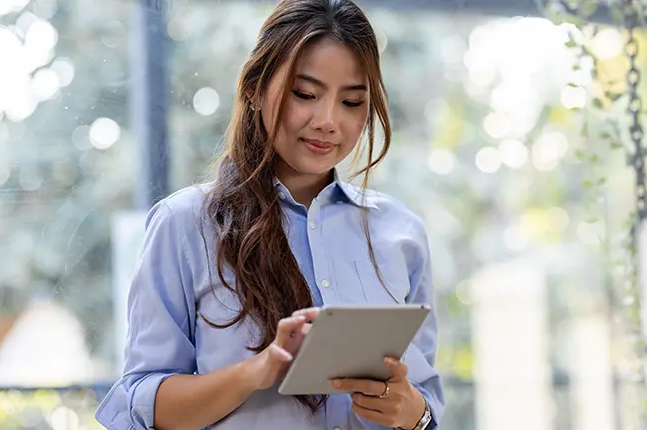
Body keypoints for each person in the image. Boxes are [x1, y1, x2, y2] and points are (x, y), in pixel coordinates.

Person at [95, 0, 445, 429]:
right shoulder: (185, 224)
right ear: (256, 89)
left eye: (352, 102)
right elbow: (141, 407)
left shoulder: (400, 232)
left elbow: (426, 401)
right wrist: (255, 371)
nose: (328, 121)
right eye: (305, 94)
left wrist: (413, 412)